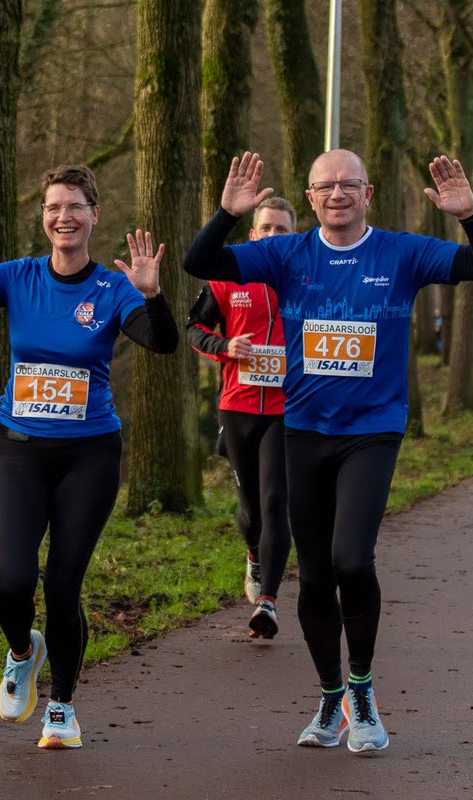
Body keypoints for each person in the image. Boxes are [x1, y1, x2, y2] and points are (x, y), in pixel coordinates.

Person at [184, 150, 473, 753]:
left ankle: (361, 688)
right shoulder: (286, 254)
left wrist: (470, 216)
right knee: (314, 575)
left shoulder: (402, 252)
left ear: (368, 192)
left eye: (348, 184)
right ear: (310, 197)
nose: (337, 193)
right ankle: (330, 697)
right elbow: (199, 261)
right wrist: (227, 214)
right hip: (303, 428)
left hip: (372, 430)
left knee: (352, 560)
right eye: (325, 185)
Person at [0, 166, 178, 750]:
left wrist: (152, 294)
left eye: (75, 206)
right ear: (43, 217)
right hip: (17, 448)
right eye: (53, 207)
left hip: (89, 454)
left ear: (94, 215)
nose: (63, 216)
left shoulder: (112, 290)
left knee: (63, 584)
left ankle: (60, 705)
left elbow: (160, 342)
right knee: (11, 582)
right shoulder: (18, 277)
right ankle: (22, 652)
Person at [187, 197, 297, 639]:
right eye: (266, 228)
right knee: (251, 509)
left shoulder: (307, 279)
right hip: (238, 406)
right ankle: (253, 555)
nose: (273, 236)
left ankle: (268, 602)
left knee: (275, 503)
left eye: (282, 230)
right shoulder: (226, 277)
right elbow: (195, 327)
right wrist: (225, 347)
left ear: (295, 235)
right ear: (253, 235)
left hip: (288, 410)